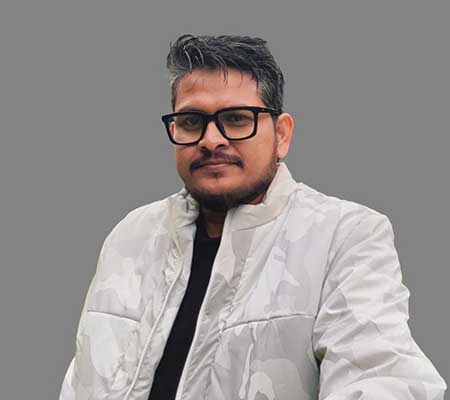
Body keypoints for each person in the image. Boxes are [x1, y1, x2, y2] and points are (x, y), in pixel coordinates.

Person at [59, 34, 446, 400]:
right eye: (192, 121)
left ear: (281, 135)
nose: (211, 140)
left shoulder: (343, 237)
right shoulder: (131, 236)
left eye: (237, 118)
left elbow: (383, 377)